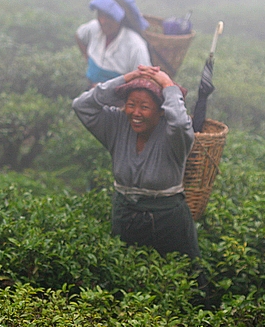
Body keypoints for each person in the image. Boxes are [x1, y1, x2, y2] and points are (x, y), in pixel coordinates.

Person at [72, 65, 200, 259]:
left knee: (179, 277)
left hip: (168, 221)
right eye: (131, 104)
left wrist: (167, 85)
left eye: (145, 107)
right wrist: (125, 79)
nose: (136, 113)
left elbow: (181, 123)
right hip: (125, 215)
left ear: (162, 111)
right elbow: (81, 105)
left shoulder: (174, 136)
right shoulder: (117, 125)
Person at [75, 0, 151, 86]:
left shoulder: (135, 45)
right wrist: (88, 58)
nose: (102, 21)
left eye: (109, 17)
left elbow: (144, 81)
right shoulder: (94, 27)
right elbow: (79, 35)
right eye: (100, 15)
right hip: (90, 90)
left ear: (120, 18)